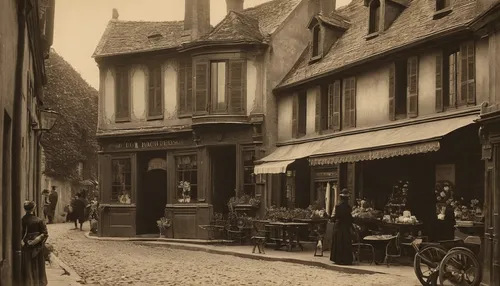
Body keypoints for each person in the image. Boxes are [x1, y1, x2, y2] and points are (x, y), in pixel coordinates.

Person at [21, 200, 48, 286]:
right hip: (37, 248)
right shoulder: (39, 220)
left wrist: (27, 243)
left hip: (26, 247)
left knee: (28, 267)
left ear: (25, 209)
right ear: (34, 208)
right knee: (38, 266)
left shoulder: (21, 220)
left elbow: (19, 235)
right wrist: (34, 242)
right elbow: (45, 234)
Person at [330, 188, 354, 265]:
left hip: (339, 226)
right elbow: (350, 218)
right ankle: (346, 259)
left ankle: (338, 259)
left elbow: (335, 217)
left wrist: (332, 219)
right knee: (346, 243)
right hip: (346, 227)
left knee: (338, 242)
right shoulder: (349, 207)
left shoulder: (337, 206)